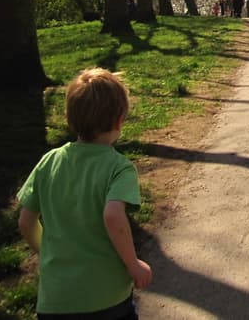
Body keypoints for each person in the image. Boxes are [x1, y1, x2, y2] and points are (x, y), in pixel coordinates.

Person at [17, 68, 152, 318]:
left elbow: (26, 221)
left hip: (55, 298)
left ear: (69, 118)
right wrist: (132, 264)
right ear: (120, 120)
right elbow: (113, 216)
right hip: (106, 297)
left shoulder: (49, 162)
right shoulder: (118, 168)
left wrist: (45, 253)